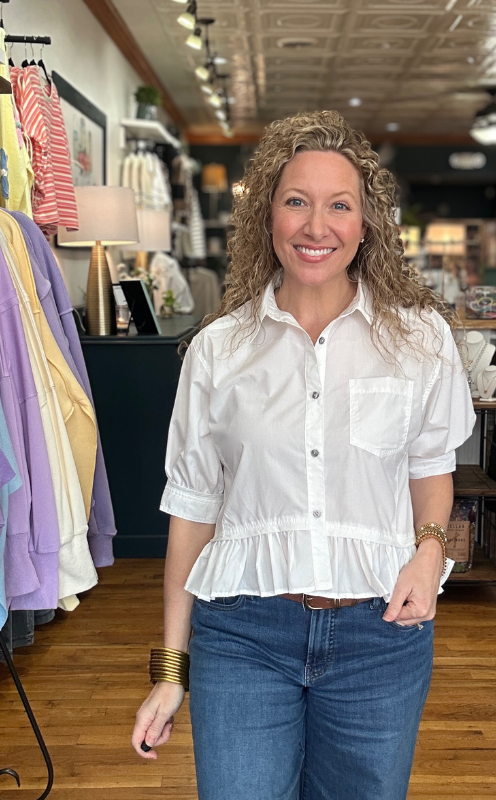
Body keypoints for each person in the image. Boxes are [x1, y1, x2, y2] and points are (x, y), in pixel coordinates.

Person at [132, 109, 476, 800]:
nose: (316, 226)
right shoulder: (218, 350)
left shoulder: (420, 341)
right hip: (243, 634)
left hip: (381, 634)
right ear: (267, 217)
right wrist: (171, 670)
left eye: (338, 205)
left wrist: (430, 549)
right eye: (296, 201)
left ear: (366, 222)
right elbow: (193, 511)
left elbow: (430, 468)